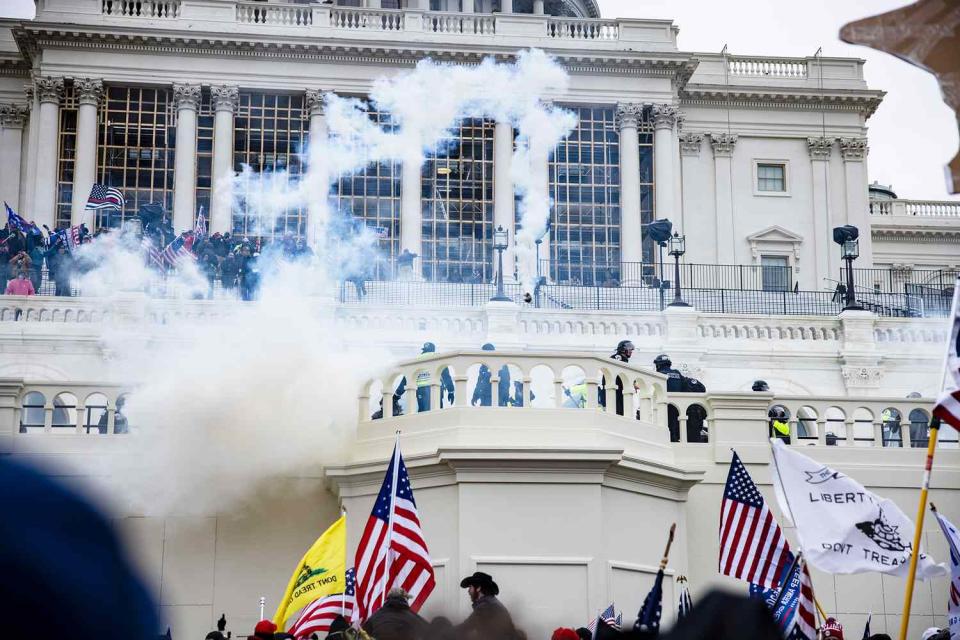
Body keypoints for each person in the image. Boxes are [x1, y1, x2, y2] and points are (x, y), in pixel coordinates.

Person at [459, 572, 516, 640]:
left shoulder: (486, 607)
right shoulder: (491, 602)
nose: (468, 591)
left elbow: (465, 627)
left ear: (478, 588)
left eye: (470, 587)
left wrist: (446, 633)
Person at [361, 587, 429, 640]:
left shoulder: (375, 616)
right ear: (404, 599)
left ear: (387, 598)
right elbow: (431, 632)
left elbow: (362, 633)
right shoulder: (413, 618)